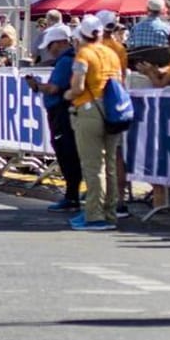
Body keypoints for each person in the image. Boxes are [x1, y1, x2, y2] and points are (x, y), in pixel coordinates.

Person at [65, 14, 121, 231]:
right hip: (112, 110)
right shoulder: (111, 53)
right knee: (110, 166)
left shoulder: (83, 55)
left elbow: (78, 87)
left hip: (89, 110)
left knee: (92, 165)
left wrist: (68, 95)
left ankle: (94, 214)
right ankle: (110, 211)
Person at [26, 23, 81, 212]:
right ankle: (73, 194)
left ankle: (72, 195)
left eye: (51, 45)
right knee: (68, 154)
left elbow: (54, 88)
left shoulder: (66, 62)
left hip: (62, 112)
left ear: (60, 42)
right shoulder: (66, 60)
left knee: (67, 154)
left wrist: (36, 86)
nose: (50, 50)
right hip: (62, 111)